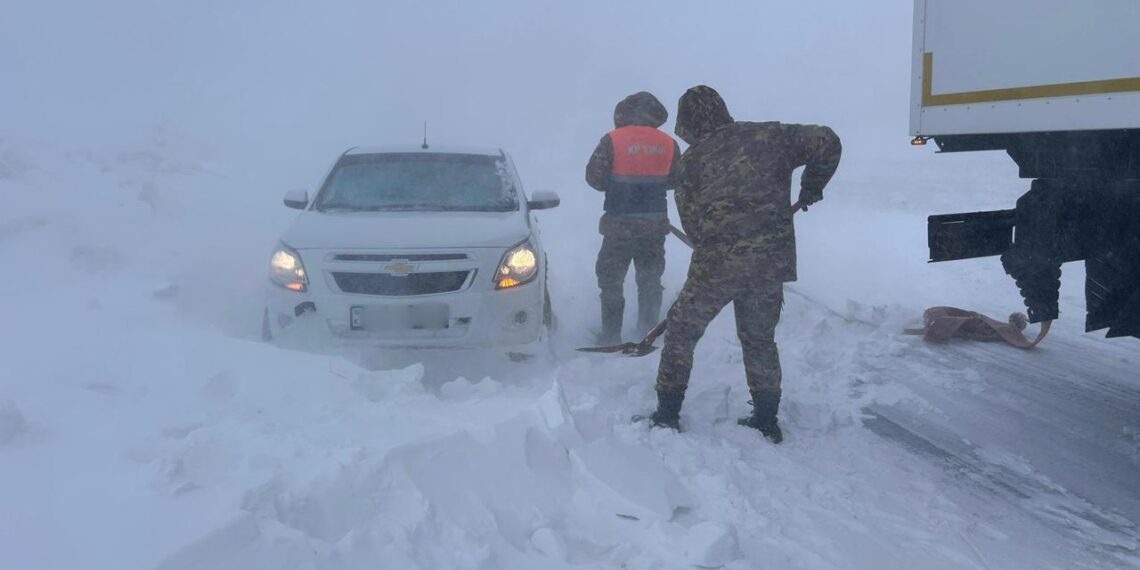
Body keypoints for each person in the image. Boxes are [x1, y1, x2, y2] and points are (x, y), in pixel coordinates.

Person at [647, 85, 842, 443]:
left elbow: (693, 226)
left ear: (687, 122)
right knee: (759, 340)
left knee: (681, 333)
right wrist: (811, 186)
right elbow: (826, 140)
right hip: (769, 263)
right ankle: (767, 420)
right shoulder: (771, 137)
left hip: (716, 267)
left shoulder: (691, 163)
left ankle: (666, 414)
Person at [586, 92, 682, 345]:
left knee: (611, 281)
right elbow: (676, 179)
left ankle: (610, 336)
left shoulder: (612, 140)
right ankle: (647, 333)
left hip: (619, 227)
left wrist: (619, 185)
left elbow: (594, 178)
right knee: (650, 280)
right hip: (654, 227)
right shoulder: (669, 144)